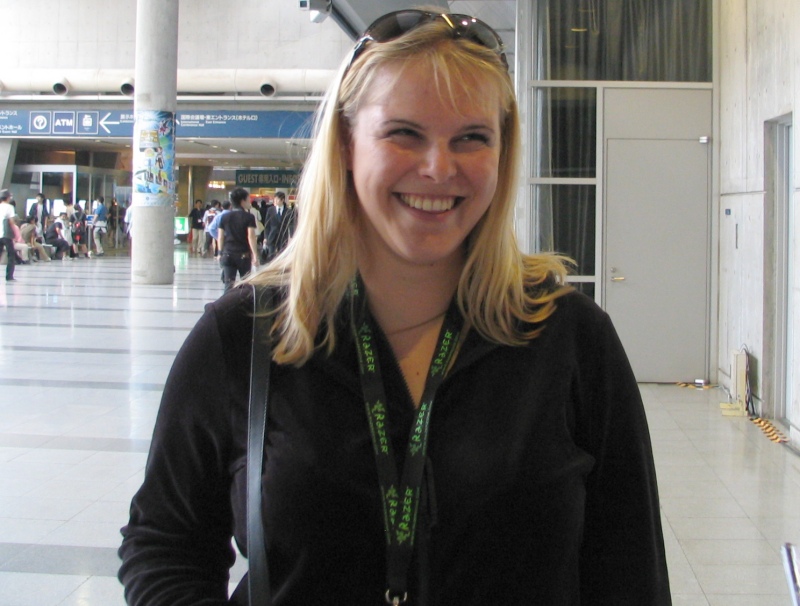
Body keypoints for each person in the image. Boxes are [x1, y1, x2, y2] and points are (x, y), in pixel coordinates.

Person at [119, 10, 671, 605]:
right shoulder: (246, 334)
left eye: (471, 138)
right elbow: (165, 545)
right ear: (347, 143)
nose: (438, 168)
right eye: (404, 133)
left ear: (502, 152)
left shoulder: (572, 338)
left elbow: (629, 567)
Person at [217, 188, 258, 292]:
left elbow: (220, 237)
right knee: (246, 284)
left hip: (228, 254)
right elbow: (251, 236)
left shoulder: (224, 217)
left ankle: (226, 302)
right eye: (248, 199)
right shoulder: (249, 217)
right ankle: (243, 302)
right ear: (242, 201)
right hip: (243, 255)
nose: (250, 202)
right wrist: (255, 254)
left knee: (228, 285)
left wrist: (219, 253)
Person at [263, 191, 295, 261]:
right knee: (271, 255)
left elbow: (291, 224)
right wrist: (265, 237)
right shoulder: (270, 210)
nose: (275, 201)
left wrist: (292, 236)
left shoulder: (289, 211)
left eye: (277, 199)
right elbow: (267, 225)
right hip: (272, 236)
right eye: (274, 199)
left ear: (282, 200)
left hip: (283, 236)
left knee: (282, 255)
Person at [0, 189, 17, 280]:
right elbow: (11, 222)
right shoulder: (9, 207)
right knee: (11, 255)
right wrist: (16, 234)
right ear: (7, 197)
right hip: (6, 234)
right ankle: (9, 276)